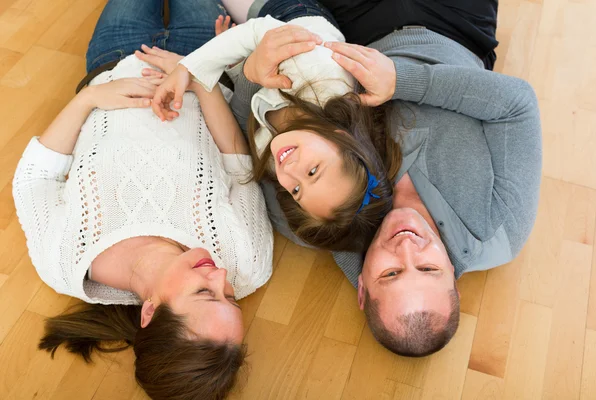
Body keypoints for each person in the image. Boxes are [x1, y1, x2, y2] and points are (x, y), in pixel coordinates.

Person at [224, 0, 542, 357]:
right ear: (452, 273)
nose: (407, 246)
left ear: (362, 288)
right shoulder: (501, 231)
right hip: (454, 24)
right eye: (428, 267)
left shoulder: (313, 221)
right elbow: (517, 105)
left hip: (345, 31)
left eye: (391, 274)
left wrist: (250, 74)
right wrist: (402, 81)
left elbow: (250, 140)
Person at [12, 1, 273, 399]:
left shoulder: (63, 261)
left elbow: (35, 179)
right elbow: (240, 168)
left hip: (115, 60)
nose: (220, 277)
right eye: (230, 298)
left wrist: (91, 99)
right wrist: (197, 74)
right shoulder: (249, 262)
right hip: (203, 61)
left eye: (204, 293)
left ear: (150, 312)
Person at [151, 0, 403, 252]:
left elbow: (250, 94)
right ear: (340, 137)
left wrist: (239, 64)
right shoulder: (322, 72)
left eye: (296, 190)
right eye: (313, 171)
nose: (290, 171)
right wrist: (189, 68)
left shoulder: (275, 158)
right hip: (289, 16)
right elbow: (259, 32)